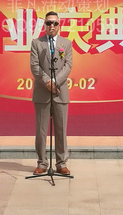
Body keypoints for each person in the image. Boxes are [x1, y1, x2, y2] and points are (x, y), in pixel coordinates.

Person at [30, 11, 73, 175]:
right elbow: (35, 66)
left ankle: (61, 163)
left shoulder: (66, 43)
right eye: (49, 23)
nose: (52, 26)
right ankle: (42, 163)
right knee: (41, 130)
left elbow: (68, 65)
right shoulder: (37, 43)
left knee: (61, 129)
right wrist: (47, 82)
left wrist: (55, 82)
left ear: (59, 25)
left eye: (55, 23)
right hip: (42, 91)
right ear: (45, 25)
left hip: (60, 92)